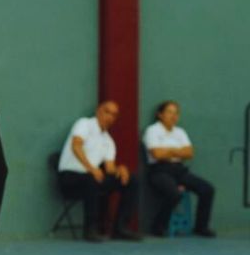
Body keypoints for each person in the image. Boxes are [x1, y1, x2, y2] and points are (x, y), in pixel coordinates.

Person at [57, 101, 141, 241]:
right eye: (107, 112)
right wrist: (91, 168)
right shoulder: (84, 124)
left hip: (92, 178)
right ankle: (90, 230)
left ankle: (120, 228)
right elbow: (76, 146)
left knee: (131, 180)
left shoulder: (108, 141)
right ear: (98, 111)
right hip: (69, 177)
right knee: (91, 179)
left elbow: (109, 168)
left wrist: (120, 170)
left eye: (114, 115)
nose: (110, 117)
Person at [143, 100, 216, 237]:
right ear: (160, 114)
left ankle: (201, 227)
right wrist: (177, 151)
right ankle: (158, 226)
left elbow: (189, 153)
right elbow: (157, 154)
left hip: (179, 170)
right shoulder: (152, 130)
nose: (173, 116)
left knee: (207, 189)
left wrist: (168, 151)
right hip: (159, 171)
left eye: (176, 113)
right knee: (173, 193)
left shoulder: (180, 132)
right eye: (169, 112)